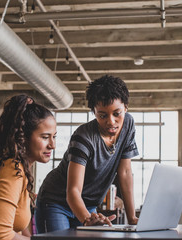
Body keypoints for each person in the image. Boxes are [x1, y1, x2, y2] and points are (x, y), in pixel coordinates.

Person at [35, 75, 139, 233]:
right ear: (94, 112)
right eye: (102, 115)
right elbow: (73, 191)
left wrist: (132, 218)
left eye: (117, 113)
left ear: (125, 107)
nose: (111, 121)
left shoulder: (128, 125)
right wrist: (87, 219)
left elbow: (124, 172)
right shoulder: (84, 137)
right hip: (57, 202)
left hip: (88, 205)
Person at [0, 94, 56, 240]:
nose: (52, 145)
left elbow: (19, 231)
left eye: (54, 136)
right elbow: (1, 235)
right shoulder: (11, 169)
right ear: (24, 137)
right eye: (45, 137)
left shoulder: (17, 168)